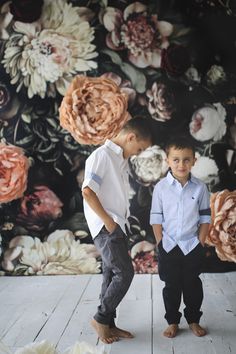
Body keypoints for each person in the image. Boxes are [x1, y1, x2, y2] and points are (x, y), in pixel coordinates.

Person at [82, 117, 152, 344]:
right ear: (131, 137)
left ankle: (109, 325)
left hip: (116, 225)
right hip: (106, 226)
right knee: (125, 273)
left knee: (111, 274)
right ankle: (100, 319)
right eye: (139, 148)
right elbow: (88, 192)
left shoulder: (118, 160)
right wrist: (109, 223)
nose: (138, 153)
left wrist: (117, 224)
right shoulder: (102, 156)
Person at [150, 136, 211, 338]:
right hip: (169, 245)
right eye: (176, 159)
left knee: (193, 285)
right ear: (167, 160)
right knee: (171, 286)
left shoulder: (200, 188)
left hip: (192, 245)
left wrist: (200, 242)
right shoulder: (160, 188)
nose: (181, 164)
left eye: (186, 159)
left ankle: (193, 320)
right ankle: (173, 321)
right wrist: (160, 242)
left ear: (194, 160)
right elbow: (156, 218)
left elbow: (205, 218)